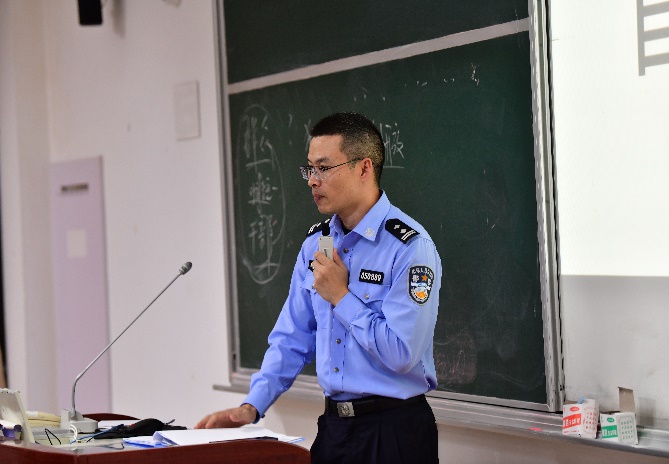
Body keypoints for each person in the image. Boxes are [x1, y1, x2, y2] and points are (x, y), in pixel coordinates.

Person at [196, 112, 441, 463]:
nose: (312, 180)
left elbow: (402, 353)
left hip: (393, 431)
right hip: (334, 429)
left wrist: (342, 297)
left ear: (363, 168)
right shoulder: (317, 245)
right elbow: (292, 336)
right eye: (309, 169)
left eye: (324, 168)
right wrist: (252, 406)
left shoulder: (408, 248)